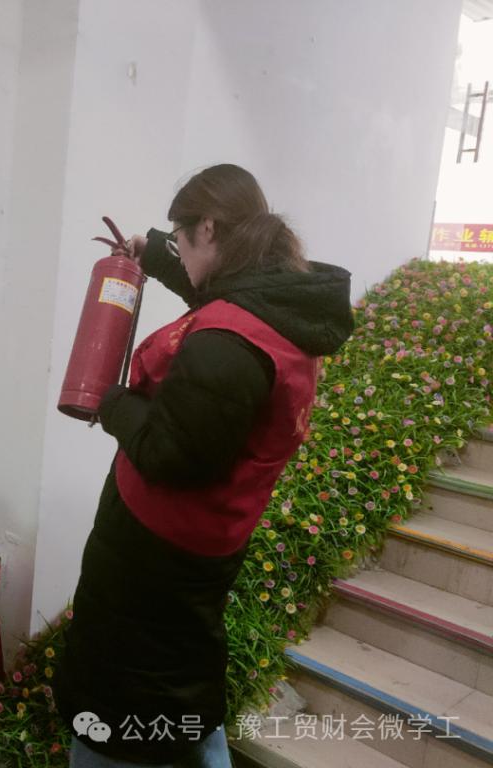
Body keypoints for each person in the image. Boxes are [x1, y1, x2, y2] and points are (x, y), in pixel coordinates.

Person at [55, 164, 354, 767]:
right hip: (202, 543)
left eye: (181, 239)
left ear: (209, 228)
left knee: (127, 703)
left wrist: (111, 402)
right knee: (180, 677)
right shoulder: (278, 304)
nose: (182, 257)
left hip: (155, 557)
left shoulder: (228, 342)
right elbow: (216, 293)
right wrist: (155, 252)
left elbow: (172, 456)